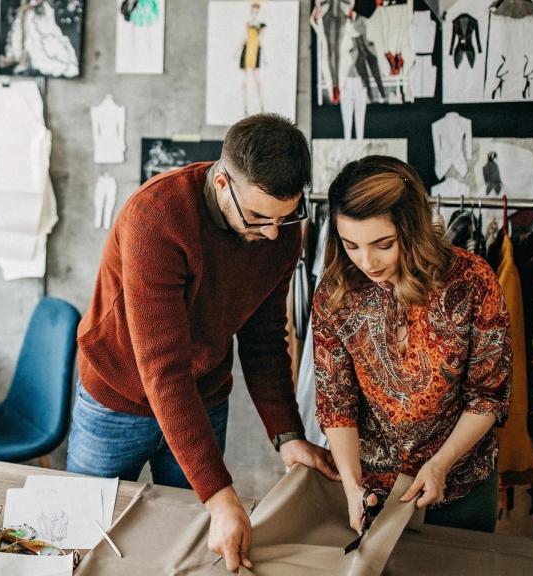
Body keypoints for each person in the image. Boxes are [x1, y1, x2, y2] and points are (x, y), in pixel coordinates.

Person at [68, 114, 339, 573]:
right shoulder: (157, 217)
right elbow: (163, 368)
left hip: (203, 395)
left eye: (285, 216)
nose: (272, 233)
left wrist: (288, 435)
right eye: (257, 217)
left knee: (195, 547)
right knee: (82, 538)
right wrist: (219, 494)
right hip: (116, 398)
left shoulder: (280, 229)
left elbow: (265, 341)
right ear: (220, 183)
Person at [313, 156, 511, 535]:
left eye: (382, 244)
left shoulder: (472, 280)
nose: (366, 261)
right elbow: (336, 403)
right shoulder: (336, 293)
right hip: (373, 485)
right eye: (350, 244)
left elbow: (488, 394)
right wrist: (353, 487)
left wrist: (442, 463)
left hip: (461, 478)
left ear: (413, 228)